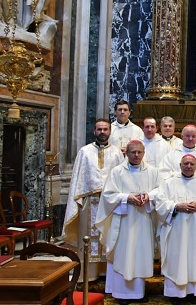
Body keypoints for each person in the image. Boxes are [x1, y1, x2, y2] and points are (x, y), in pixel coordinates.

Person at [95, 140, 161, 303]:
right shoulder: (117, 172)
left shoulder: (153, 172)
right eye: (133, 152)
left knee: (139, 254)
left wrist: (149, 196)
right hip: (123, 220)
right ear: (127, 153)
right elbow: (108, 194)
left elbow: (161, 190)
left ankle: (138, 293)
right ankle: (121, 293)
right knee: (123, 254)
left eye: (139, 152)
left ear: (144, 153)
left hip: (143, 220)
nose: (136, 155)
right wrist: (127, 198)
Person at [62, 118, 126, 281]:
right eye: (99, 129)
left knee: (110, 236)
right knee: (87, 239)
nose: (102, 132)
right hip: (89, 203)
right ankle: (88, 275)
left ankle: (108, 273)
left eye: (105, 129)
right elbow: (78, 179)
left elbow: (122, 178)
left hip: (110, 203)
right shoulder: (84, 151)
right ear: (94, 131)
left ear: (110, 132)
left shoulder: (117, 153)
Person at [155, 154, 196, 304]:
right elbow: (160, 203)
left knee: (194, 258)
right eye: (186, 164)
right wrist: (176, 206)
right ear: (180, 165)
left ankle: (193, 293)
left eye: (191, 164)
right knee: (175, 259)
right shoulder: (168, 182)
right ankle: (175, 294)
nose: (188, 166)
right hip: (175, 230)